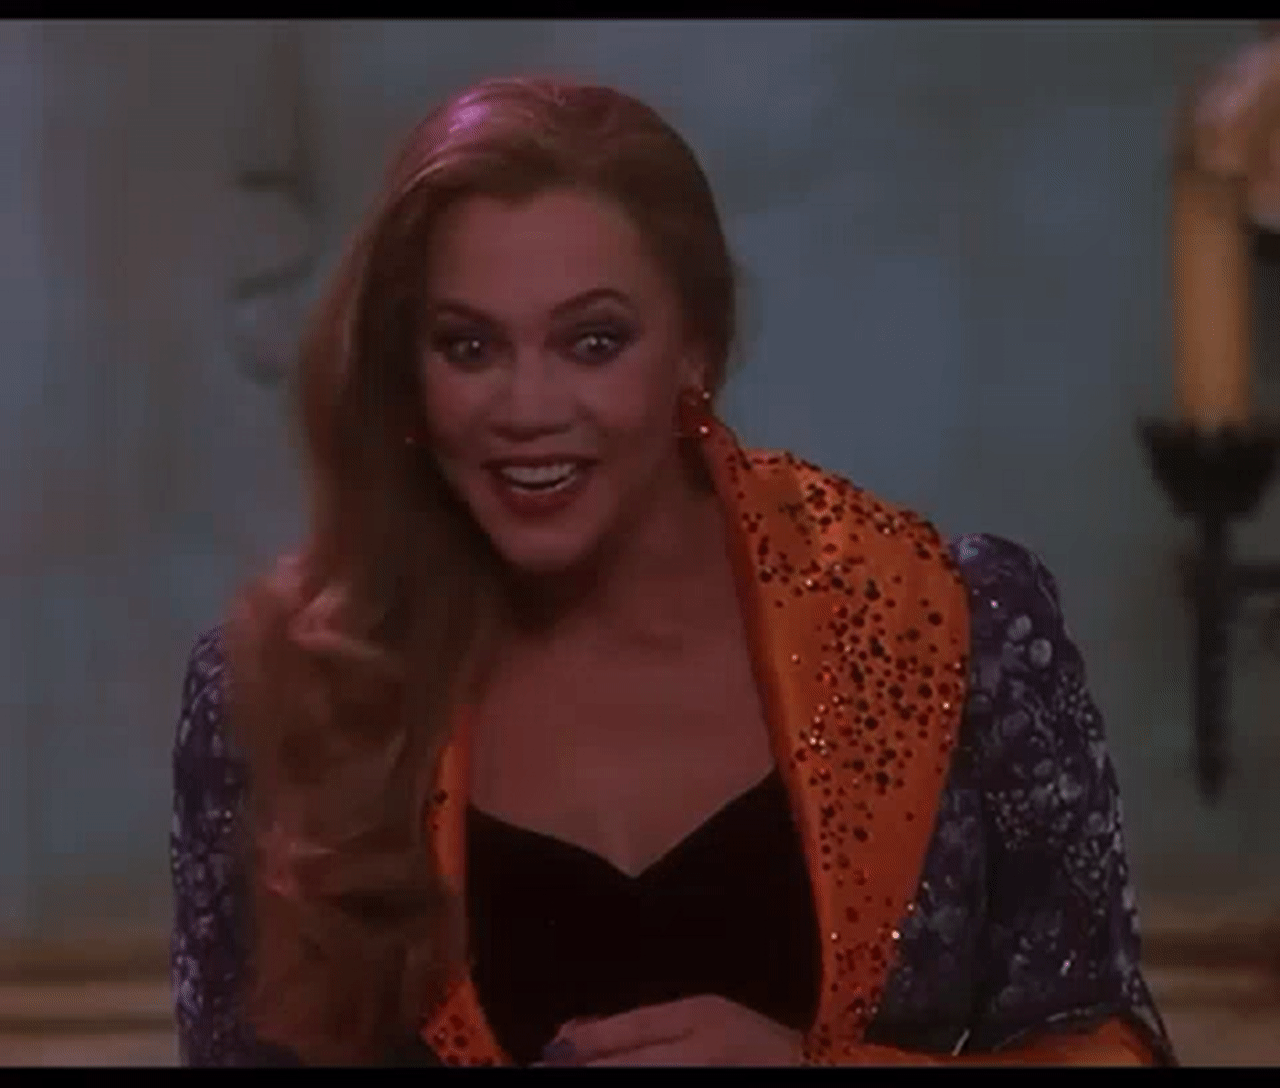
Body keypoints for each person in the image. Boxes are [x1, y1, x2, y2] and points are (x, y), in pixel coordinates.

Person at [169, 76, 1175, 1067]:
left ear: (696, 347)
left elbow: (1102, 1045)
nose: (527, 407)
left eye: (593, 341)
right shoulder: (287, 695)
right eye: (468, 346)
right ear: (408, 369)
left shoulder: (949, 629)